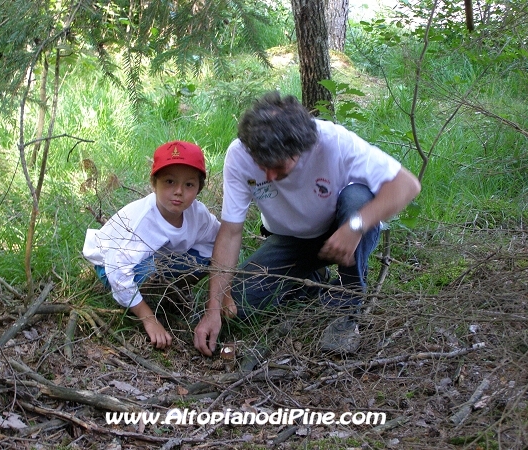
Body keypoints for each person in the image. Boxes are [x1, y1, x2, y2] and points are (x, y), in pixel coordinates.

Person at [193, 92, 421, 357]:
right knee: (237, 304)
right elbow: (231, 232)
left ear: (301, 148)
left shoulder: (333, 141)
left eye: (277, 166)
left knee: (356, 198)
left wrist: (354, 226)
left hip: (343, 230)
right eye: (261, 165)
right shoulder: (239, 155)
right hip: (291, 240)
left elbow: (407, 185)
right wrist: (213, 308)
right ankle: (311, 280)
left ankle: (346, 312)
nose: (268, 175)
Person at [83, 141, 220, 349]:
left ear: (199, 188)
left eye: (189, 185)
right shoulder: (141, 222)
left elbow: (220, 241)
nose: (179, 192)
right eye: (169, 182)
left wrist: (222, 296)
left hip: (157, 260)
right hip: (111, 265)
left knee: (207, 257)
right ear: (153, 184)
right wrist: (149, 320)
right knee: (145, 271)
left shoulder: (198, 214)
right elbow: (118, 272)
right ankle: (144, 306)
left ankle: (167, 294)